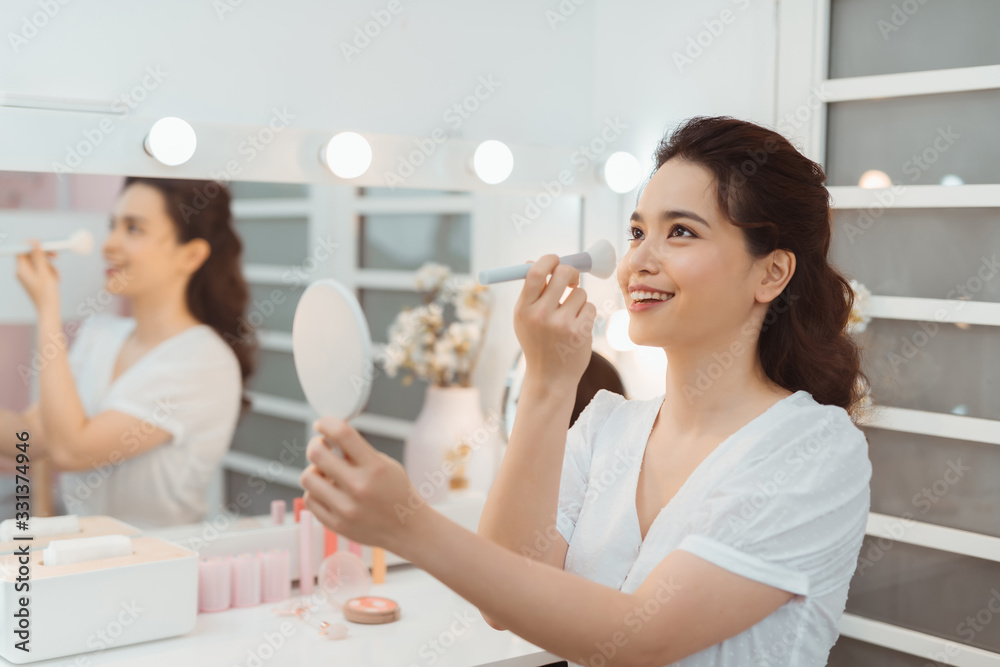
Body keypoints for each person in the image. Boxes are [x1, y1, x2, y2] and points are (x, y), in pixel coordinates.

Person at [296, 115, 872, 667]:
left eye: (680, 232)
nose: (638, 262)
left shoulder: (813, 451)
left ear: (771, 273)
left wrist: (407, 525)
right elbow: (503, 597)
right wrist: (549, 381)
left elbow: (641, 639)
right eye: (637, 232)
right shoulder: (606, 428)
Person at [0, 177, 255, 529]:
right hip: (84, 558)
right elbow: (29, 438)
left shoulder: (202, 361)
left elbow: (72, 450)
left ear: (191, 255)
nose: (109, 245)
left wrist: (46, 309)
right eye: (113, 226)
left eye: (134, 229)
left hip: (158, 567)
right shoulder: (100, 334)